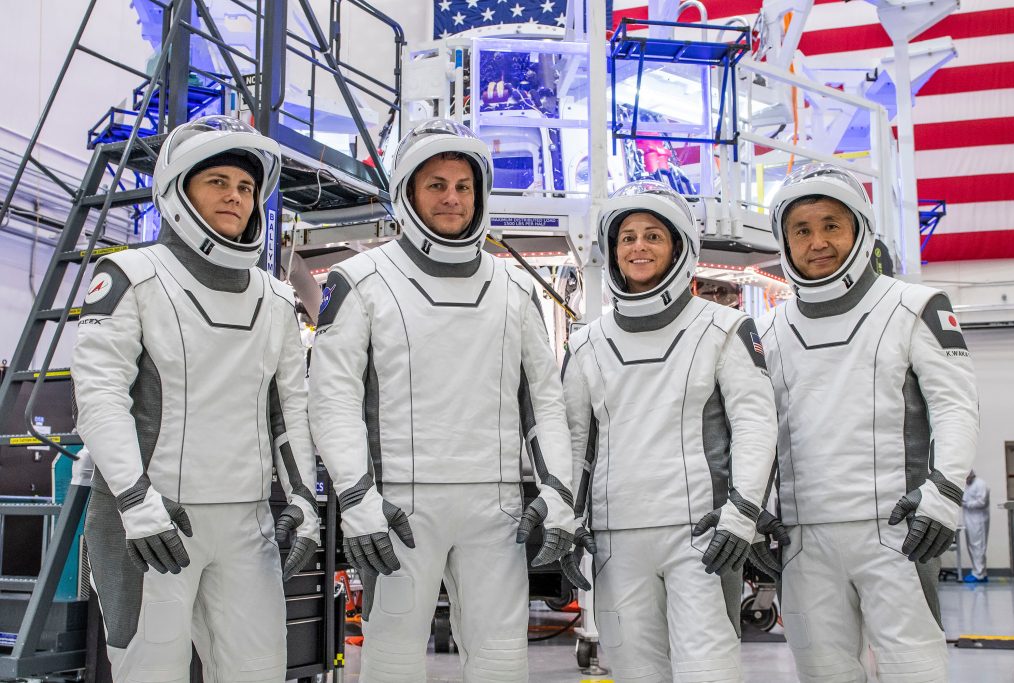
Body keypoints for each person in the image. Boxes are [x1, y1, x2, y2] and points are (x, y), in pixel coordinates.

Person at [308, 118, 585, 681]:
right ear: (408, 191)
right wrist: (357, 500)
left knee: (502, 659)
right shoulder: (361, 280)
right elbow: (332, 399)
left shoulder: (516, 289)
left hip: (498, 508)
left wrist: (558, 493)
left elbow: (546, 404)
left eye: (463, 185)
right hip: (399, 509)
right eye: (436, 184)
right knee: (391, 656)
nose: (452, 198)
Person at [72, 115, 321, 682]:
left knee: (257, 671)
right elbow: (100, 398)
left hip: (247, 524)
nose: (235, 197)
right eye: (218, 183)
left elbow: (290, 413)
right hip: (151, 522)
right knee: (149, 671)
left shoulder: (276, 300)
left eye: (246, 187)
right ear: (178, 189)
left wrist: (304, 502)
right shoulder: (130, 276)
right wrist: (136, 501)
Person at [757, 163, 979, 681]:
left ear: (859, 228)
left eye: (832, 226)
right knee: (823, 672)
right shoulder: (766, 330)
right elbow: (757, 430)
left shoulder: (916, 305)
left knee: (915, 669)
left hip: (898, 532)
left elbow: (955, 406)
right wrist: (759, 513)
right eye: (802, 230)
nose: (818, 243)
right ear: (785, 242)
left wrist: (944, 496)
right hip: (802, 538)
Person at [560, 180, 778, 681]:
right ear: (613, 251)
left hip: (701, 537)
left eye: (653, 235)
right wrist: (567, 519)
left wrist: (742, 514)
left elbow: (754, 424)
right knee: (637, 672)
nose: (639, 247)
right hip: (617, 540)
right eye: (628, 237)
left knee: (709, 670)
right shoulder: (587, 342)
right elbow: (574, 441)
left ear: (679, 246)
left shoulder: (723, 328)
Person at [963, 470, 990, 583]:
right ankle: (979, 572)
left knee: (979, 546)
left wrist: (965, 503)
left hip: (979, 520)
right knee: (972, 546)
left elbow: (982, 502)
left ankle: (979, 574)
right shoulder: (967, 485)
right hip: (969, 519)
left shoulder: (980, 484)